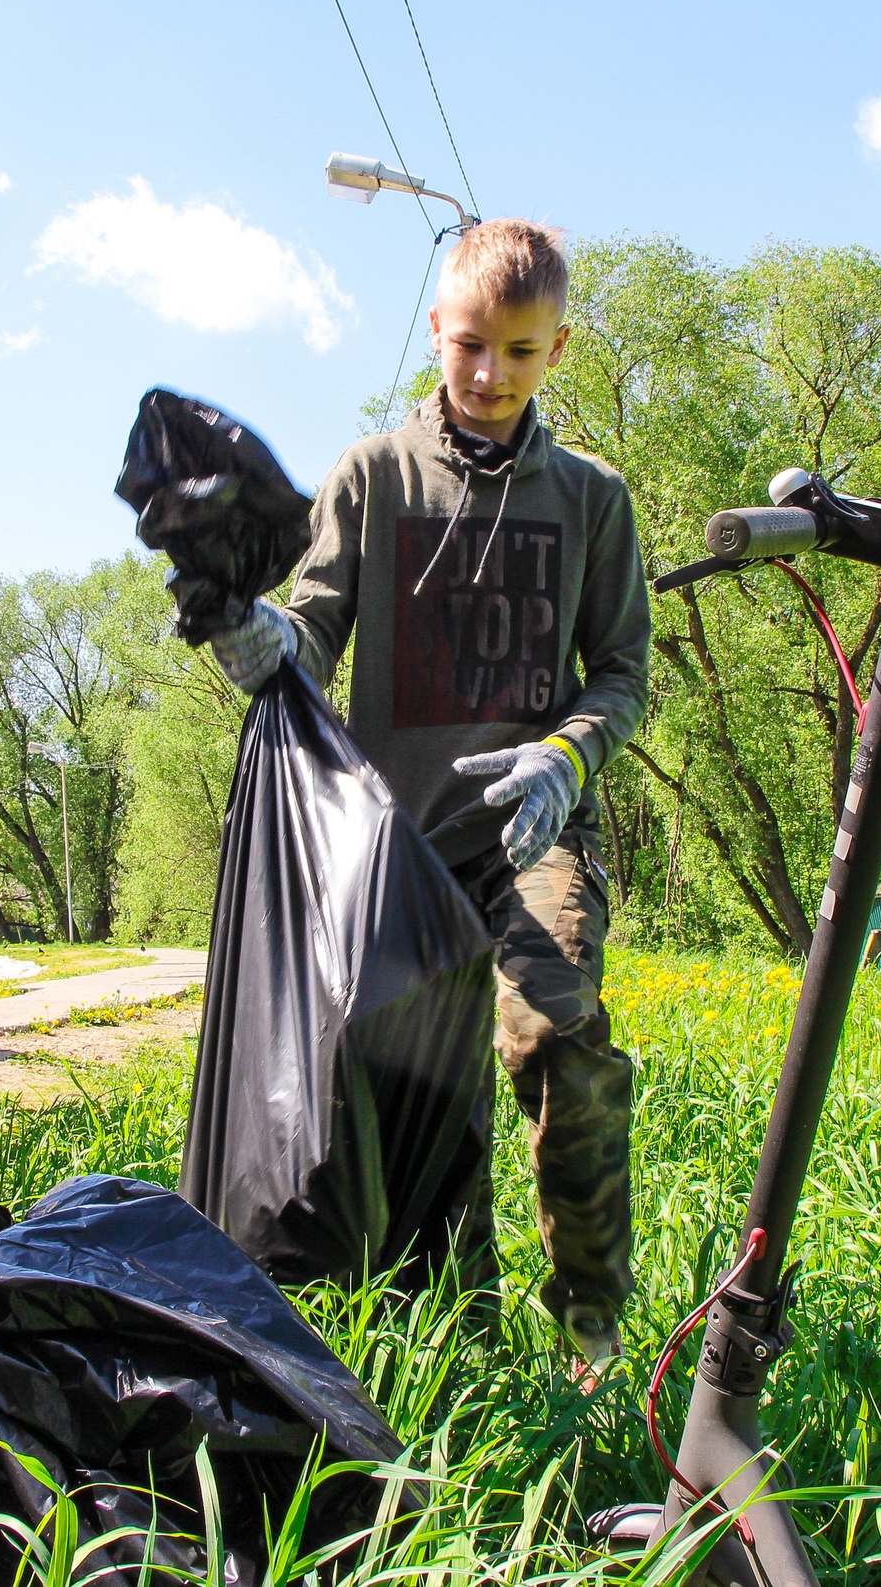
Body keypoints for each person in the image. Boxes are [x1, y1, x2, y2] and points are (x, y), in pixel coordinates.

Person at [206, 220, 650, 1373]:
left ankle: (591, 1325)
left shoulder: (592, 499)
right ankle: (453, 1326)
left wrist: (568, 756)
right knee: (412, 1088)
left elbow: (623, 674)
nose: (491, 374)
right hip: (395, 847)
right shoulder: (373, 476)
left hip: (533, 838)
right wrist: (263, 642)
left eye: (520, 351)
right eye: (469, 346)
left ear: (558, 348)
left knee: (556, 1033)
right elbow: (312, 627)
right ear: (436, 334)